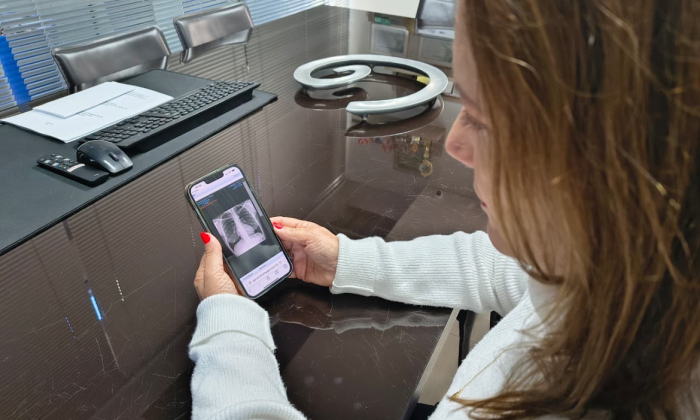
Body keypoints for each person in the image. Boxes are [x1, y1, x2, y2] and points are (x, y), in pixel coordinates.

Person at [188, 0, 700, 418]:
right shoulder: (618, 277)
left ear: (614, 158)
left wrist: (229, 328)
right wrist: (346, 260)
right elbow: (507, 269)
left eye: (481, 118)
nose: (454, 144)